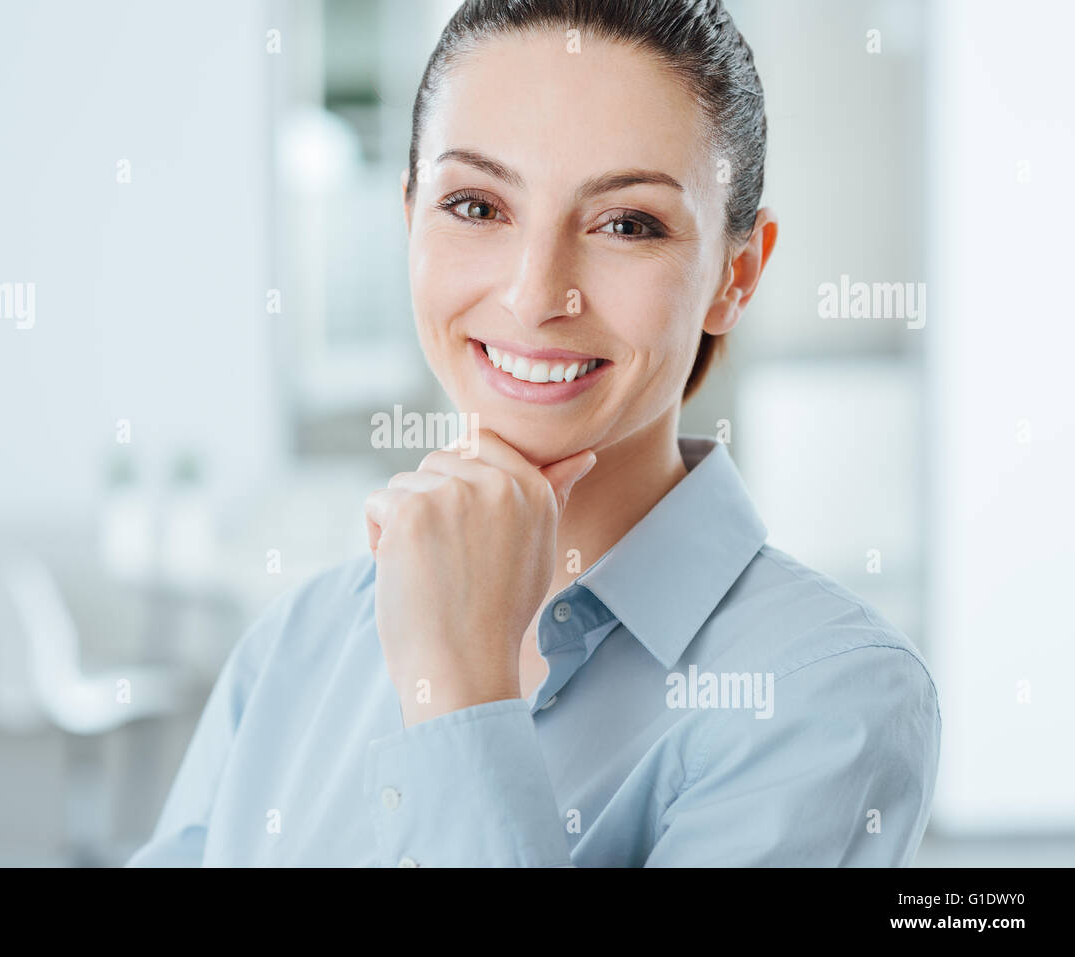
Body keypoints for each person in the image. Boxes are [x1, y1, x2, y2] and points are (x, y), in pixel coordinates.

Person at [128, 0, 940, 867]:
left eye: (626, 224)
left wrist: (464, 691)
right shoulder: (298, 642)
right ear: (411, 221)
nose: (534, 293)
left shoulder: (828, 693)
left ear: (734, 277)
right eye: (476, 206)